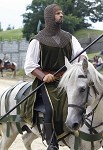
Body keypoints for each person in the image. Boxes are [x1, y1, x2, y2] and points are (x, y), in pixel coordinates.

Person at [23, 4, 87, 150]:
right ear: (50, 17)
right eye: (58, 13)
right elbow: (29, 65)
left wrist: (82, 59)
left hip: (67, 80)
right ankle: (52, 143)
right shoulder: (37, 40)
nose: (61, 15)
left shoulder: (69, 38)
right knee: (50, 109)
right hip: (47, 83)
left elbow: (79, 53)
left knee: (81, 100)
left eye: (61, 13)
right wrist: (43, 75)